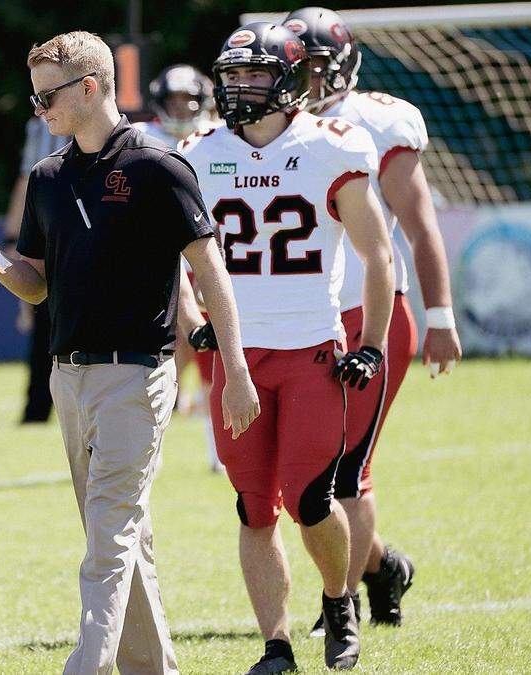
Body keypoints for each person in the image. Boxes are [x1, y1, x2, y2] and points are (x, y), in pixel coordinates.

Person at [0, 31, 260, 675]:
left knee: (107, 537)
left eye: (48, 96)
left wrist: (235, 371)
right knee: (121, 537)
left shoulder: (156, 163)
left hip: (137, 376)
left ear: (91, 87)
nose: (40, 110)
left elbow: (210, 270)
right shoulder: (48, 177)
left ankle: (85, 665)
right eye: (34, 99)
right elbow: (35, 284)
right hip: (69, 378)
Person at [179, 22, 394, 672]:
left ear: (292, 80)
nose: (240, 88)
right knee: (251, 506)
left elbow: (377, 253)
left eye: (256, 76)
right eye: (233, 76)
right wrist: (194, 316)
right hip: (239, 356)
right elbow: (174, 255)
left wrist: (374, 343)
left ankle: (338, 598)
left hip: (310, 351)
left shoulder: (333, 146)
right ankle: (275, 644)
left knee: (308, 497)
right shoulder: (198, 150)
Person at [284, 6, 462, 633]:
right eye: (297, 71)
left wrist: (439, 313)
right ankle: (382, 568)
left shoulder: (378, 121)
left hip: (371, 317)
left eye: (317, 71)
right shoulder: (266, 127)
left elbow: (418, 224)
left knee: (344, 475)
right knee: (304, 478)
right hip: (299, 322)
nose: (307, 86)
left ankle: (340, 610)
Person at [135, 64, 223, 471]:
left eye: (190, 100)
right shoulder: (142, 138)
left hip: (207, 251)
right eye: (175, 101)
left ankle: (216, 448)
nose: (183, 108)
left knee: (210, 350)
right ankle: (149, 446)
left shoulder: (219, 138)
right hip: (158, 258)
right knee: (158, 354)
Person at [1, 115, 69, 423]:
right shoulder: (42, 125)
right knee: (44, 322)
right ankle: (39, 408)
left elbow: (26, 181)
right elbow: (27, 179)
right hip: (56, 230)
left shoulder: (45, 126)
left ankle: (38, 409)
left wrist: (13, 235)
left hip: (58, 230)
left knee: (47, 324)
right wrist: (14, 236)